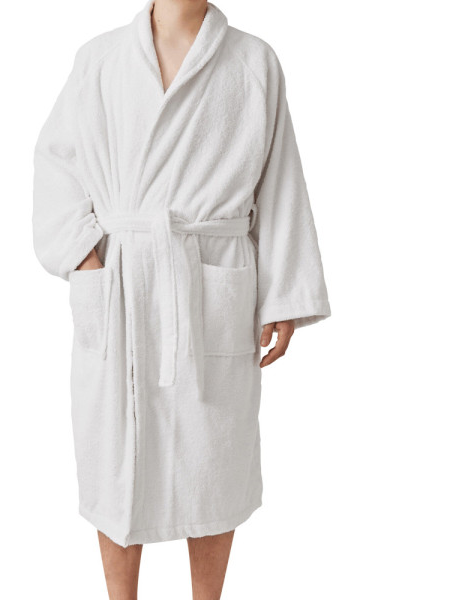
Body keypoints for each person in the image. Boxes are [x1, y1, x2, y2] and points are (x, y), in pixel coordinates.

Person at [32, 0, 331, 597]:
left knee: (213, 458)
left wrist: (283, 294)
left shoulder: (253, 60)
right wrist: (87, 259)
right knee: (116, 455)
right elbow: (55, 168)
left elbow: (280, 180)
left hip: (210, 280)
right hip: (121, 283)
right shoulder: (99, 59)